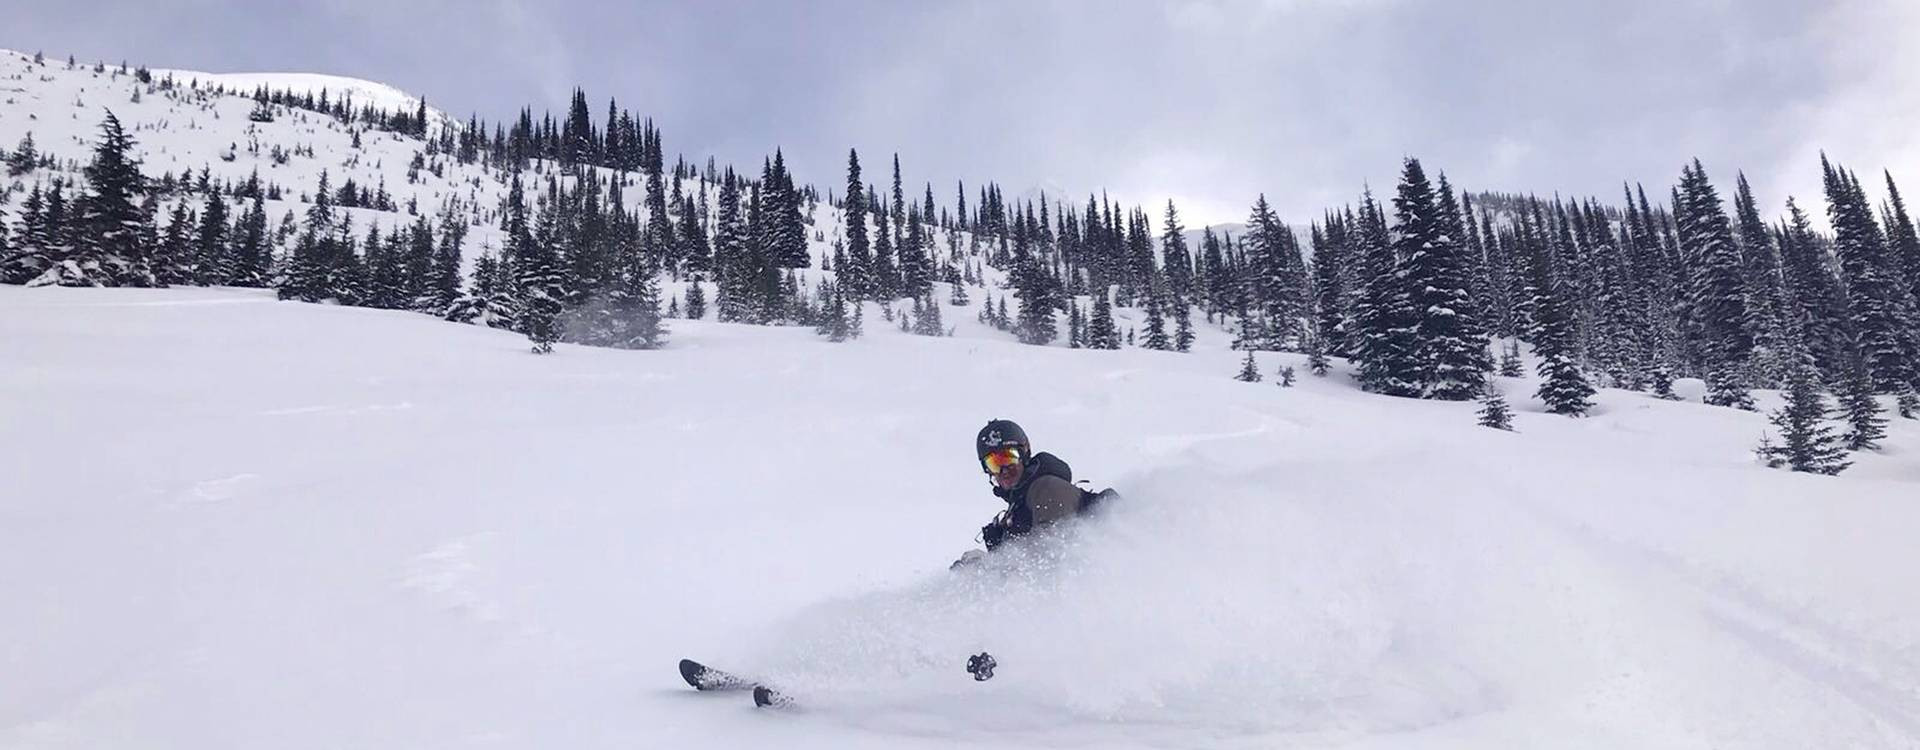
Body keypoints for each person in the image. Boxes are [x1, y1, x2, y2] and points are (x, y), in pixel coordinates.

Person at [954, 419, 1113, 568]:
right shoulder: (1019, 510)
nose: (1004, 470)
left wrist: (986, 567)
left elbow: (1052, 556)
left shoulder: (1047, 488)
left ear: (1024, 453)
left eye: (1009, 458)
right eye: (994, 463)